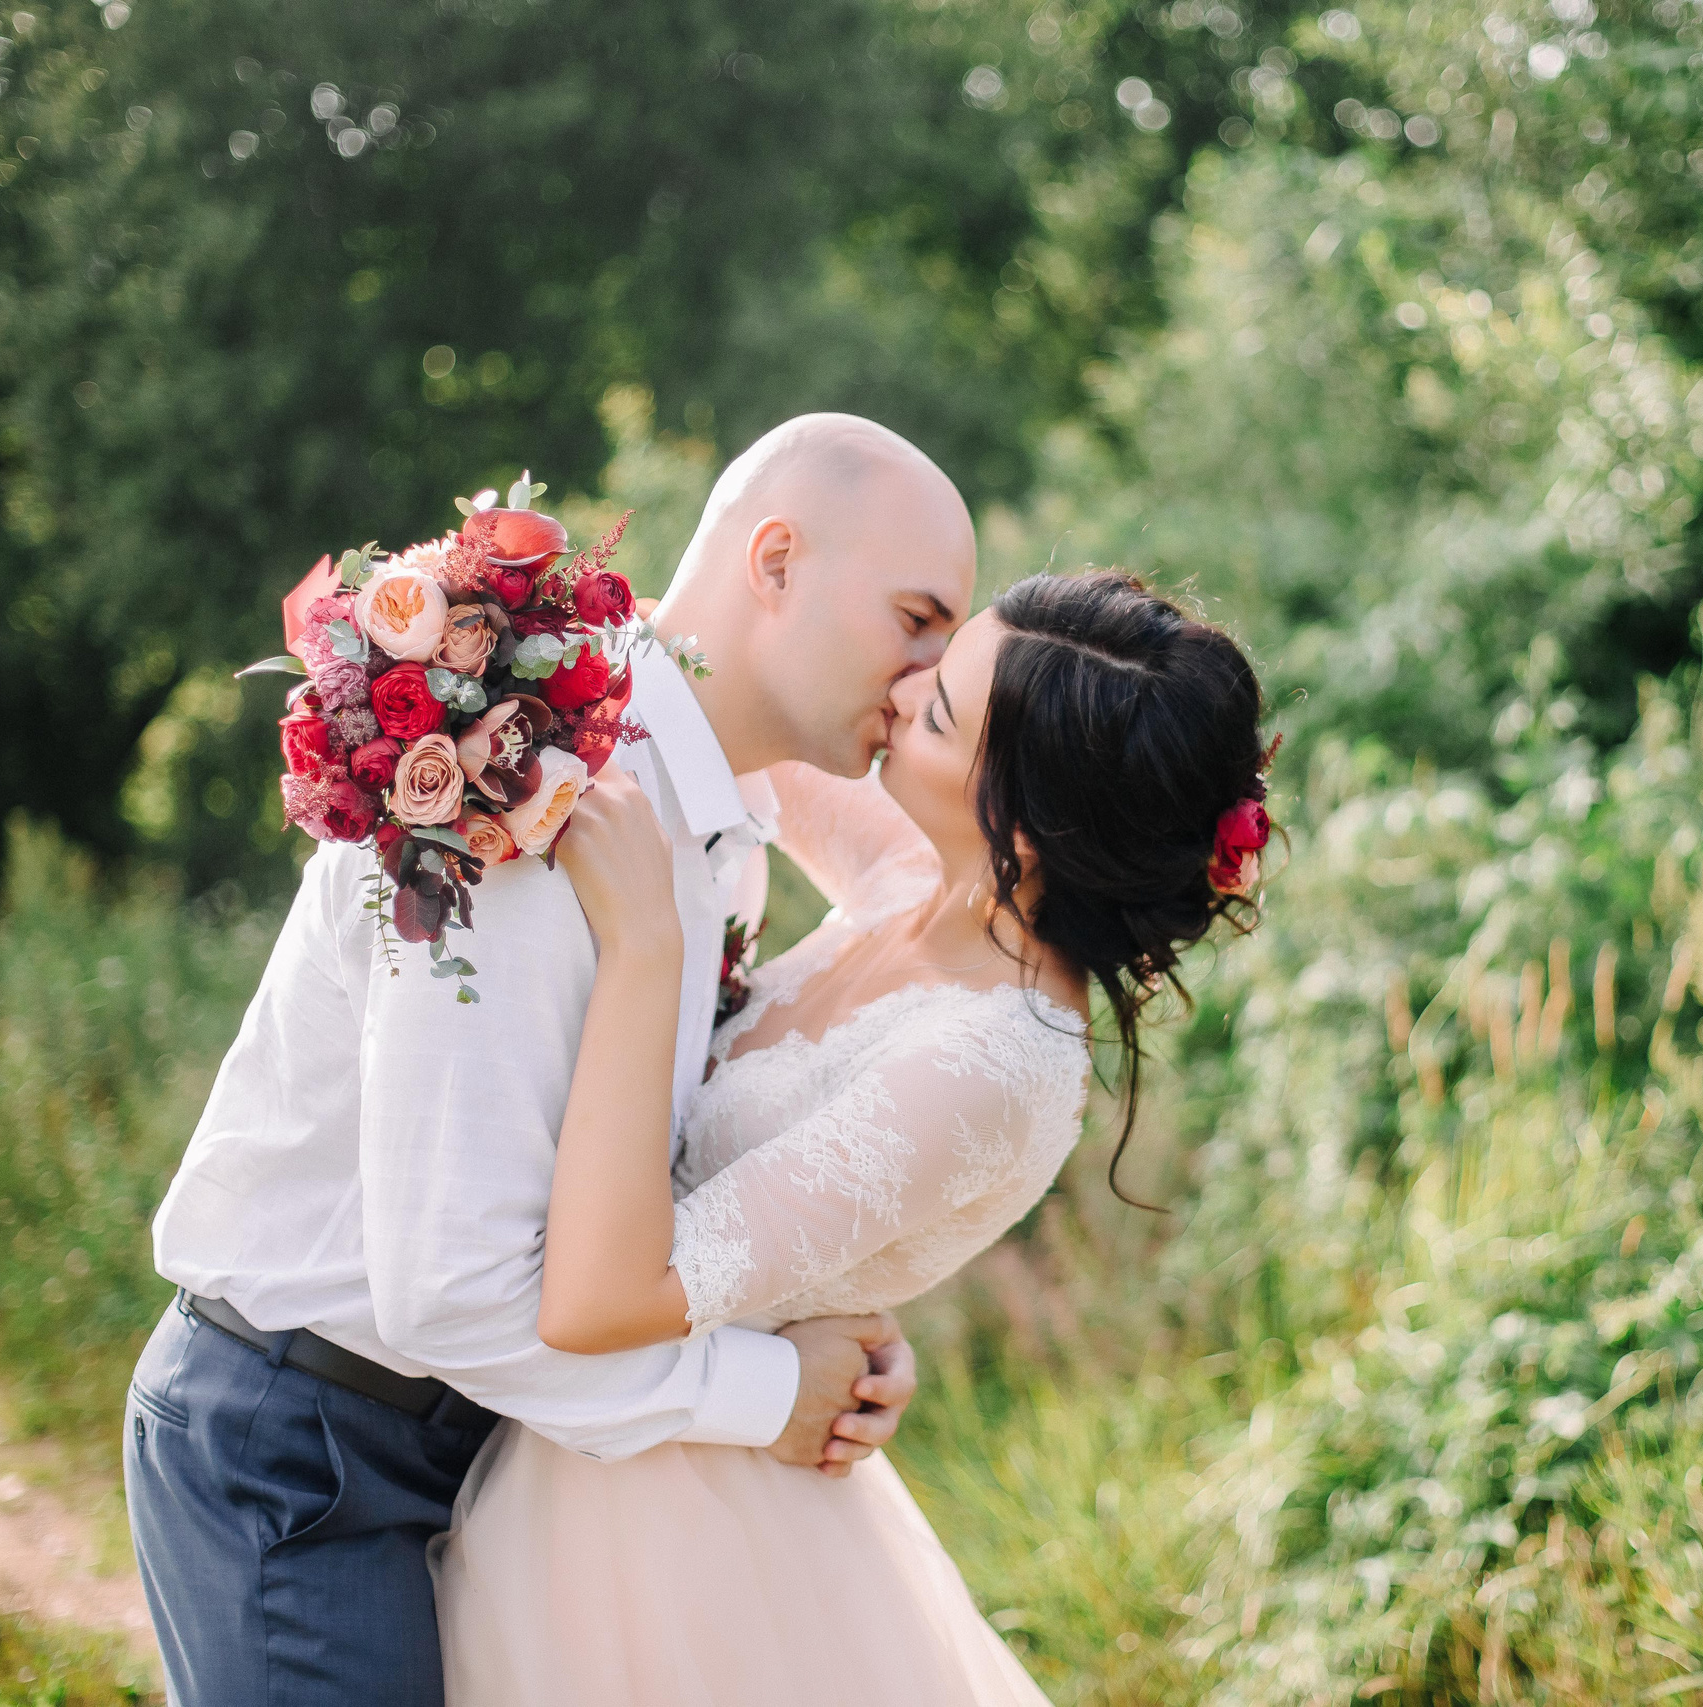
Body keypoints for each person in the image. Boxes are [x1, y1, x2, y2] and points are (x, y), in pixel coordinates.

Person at [126, 414, 980, 1705]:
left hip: (494, 1438)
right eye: (915, 617)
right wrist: (762, 1389)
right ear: (778, 559)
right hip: (306, 1446)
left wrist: (825, 1339)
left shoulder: (719, 810)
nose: (926, 677)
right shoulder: (533, 798)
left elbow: (619, 1173)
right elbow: (452, 1286)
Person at [434, 568, 1273, 1704]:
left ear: (1023, 830)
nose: (904, 687)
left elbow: (597, 1303)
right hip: (618, 1439)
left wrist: (647, 946)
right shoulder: (919, 879)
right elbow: (727, 692)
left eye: (938, 710)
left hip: (676, 1541)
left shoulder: (990, 1062)